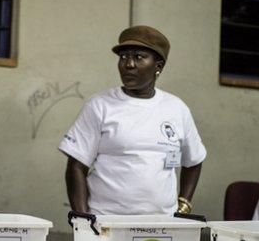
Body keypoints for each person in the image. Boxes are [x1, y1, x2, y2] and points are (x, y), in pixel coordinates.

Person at [59, 25, 206, 216]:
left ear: (158, 66)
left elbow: (194, 160)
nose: (128, 64)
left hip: (162, 226)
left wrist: (183, 205)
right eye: (123, 57)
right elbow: (76, 165)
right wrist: (83, 219)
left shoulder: (176, 109)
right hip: (106, 224)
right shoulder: (100, 105)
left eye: (138, 57)